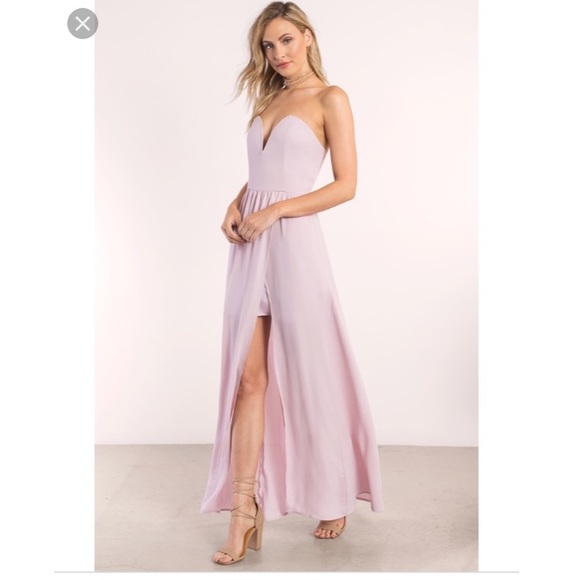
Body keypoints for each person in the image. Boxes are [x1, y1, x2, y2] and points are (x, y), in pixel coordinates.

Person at [200, 1, 384, 565]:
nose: (277, 53)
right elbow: (264, 175)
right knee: (247, 379)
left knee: (311, 371)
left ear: (306, 36)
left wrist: (276, 211)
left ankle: (333, 494)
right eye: (267, 45)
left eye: (284, 40)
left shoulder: (331, 98)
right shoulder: (268, 99)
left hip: (295, 246)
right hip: (250, 245)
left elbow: (346, 184)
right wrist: (236, 203)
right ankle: (244, 512)